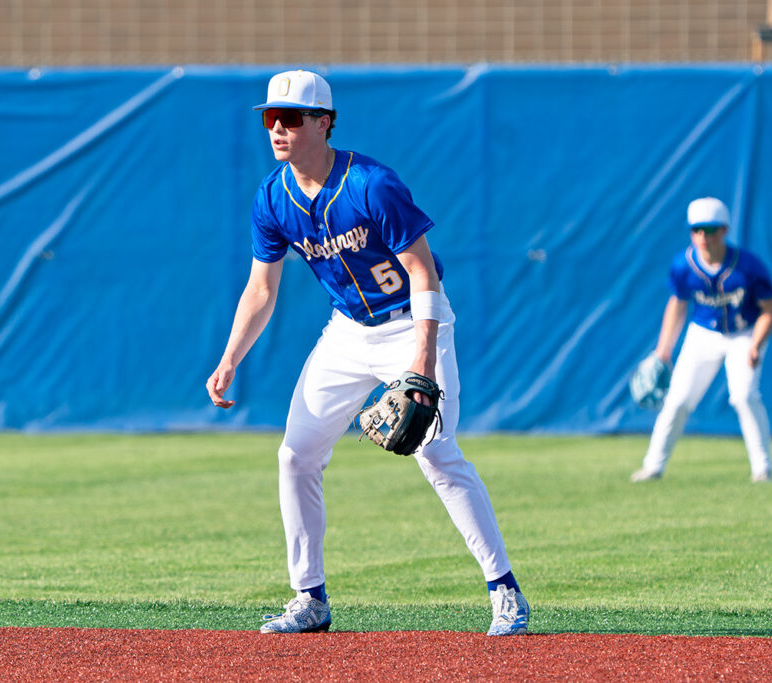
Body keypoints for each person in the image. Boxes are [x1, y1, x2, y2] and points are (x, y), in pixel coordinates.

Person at [206, 70, 529, 636]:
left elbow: (422, 271)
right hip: (348, 332)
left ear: (324, 123)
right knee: (295, 455)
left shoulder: (371, 184)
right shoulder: (272, 196)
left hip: (413, 324)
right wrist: (231, 357)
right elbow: (262, 288)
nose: (277, 129)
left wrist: (421, 362)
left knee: (437, 456)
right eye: (270, 119)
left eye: (291, 118)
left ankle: (506, 593)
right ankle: (309, 598)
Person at [631, 197, 772, 484]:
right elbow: (677, 305)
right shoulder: (683, 265)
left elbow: (770, 309)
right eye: (696, 230)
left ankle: (763, 469)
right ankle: (653, 467)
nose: (703, 237)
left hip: (744, 333)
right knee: (677, 401)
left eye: (710, 229)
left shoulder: (748, 267)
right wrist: (663, 351)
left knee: (744, 396)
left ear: (724, 230)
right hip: (704, 334)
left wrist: (756, 345)